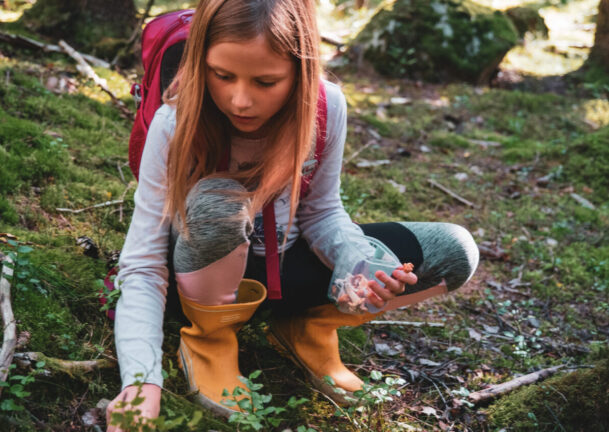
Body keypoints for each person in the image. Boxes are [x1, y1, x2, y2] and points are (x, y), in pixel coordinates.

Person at [106, 0, 479, 429]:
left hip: (286, 270)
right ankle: (210, 342)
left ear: (301, 71)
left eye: (266, 82)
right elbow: (144, 263)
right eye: (222, 75)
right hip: (200, 280)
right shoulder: (175, 122)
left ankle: (306, 326)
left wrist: (356, 258)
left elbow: (322, 211)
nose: (240, 100)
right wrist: (139, 382)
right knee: (217, 202)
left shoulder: (326, 106)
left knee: (454, 252)